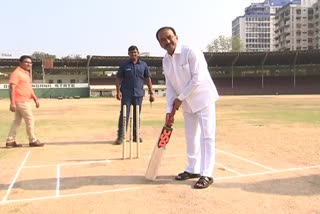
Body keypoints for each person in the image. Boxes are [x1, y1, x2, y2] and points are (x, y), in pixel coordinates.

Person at [156, 27, 219, 189]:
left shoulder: (191, 52)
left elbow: (198, 78)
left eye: (169, 37)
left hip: (203, 99)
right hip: (186, 104)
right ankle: (193, 169)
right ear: (160, 43)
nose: (167, 41)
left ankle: (206, 173)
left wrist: (180, 98)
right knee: (190, 136)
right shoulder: (165, 60)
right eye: (163, 39)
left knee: (207, 136)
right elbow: (170, 87)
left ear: (176, 36)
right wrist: (169, 111)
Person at [115, 45, 155, 144]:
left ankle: (135, 136)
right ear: (128, 54)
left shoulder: (143, 65)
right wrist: (118, 91)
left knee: (137, 115)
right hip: (126, 94)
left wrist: (151, 93)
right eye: (132, 52)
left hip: (138, 94)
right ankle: (121, 136)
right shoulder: (124, 65)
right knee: (124, 115)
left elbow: (148, 79)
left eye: (135, 52)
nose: (134, 54)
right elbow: (118, 78)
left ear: (138, 53)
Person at [5, 55, 44, 148]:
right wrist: (12, 102)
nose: (29, 64)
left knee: (17, 121)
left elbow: (29, 88)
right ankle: (32, 140)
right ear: (20, 63)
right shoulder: (16, 73)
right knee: (30, 119)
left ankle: (10, 141)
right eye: (26, 62)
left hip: (24, 100)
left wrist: (35, 99)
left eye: (30, 62)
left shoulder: (26, 74)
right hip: (20, 101)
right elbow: (12, 88)